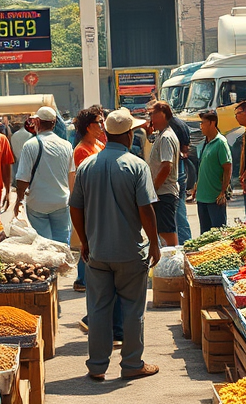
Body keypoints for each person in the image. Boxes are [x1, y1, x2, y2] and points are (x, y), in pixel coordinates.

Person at [69, 107, 161, 381]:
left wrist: (85, 240)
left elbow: (75, 207)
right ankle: (132, 364)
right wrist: (154, 243)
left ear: (107, 133)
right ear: (130, 134)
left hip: (97, 252)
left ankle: (97, 366)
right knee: (132, 309)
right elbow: (146, 209)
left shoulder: (87, 165)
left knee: (98, 310)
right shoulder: (136, 165)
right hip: (129, 253)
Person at [15, 106, 75, 245]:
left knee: (43, 244)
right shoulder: (66, 145)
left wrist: (19, 199)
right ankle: (61, 265)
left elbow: (22, 179)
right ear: (54, 123)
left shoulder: (30, 145)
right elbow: (72, 175)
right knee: (61, 244)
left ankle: (49, 266)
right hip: (61, 203)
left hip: (37, 204)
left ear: (36, 122)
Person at [72, 107, 106, 293]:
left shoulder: (99, 145)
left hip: (100, 202)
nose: (102, 125)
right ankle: (82, 280)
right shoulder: (82, 150)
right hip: (91, 204)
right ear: (87, 127)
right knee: (89, 244)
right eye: (98, 122)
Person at [191, 110, 231, 233]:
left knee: (217, 234)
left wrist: (223, 192)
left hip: (215, 198)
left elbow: (227, 168)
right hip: (202, 197)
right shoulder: (206, 143)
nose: (200, 126)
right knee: (205, 234)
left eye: (203, 123)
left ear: (212, 123)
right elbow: (203, 166)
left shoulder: (220, 142)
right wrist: (196, 186)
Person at [147, 101, 181, 246]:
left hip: (164, 192)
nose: (151, 118)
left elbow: (167, 166)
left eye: (153, 114)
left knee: (167, 233)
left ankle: (174, 264)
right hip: (161, 193)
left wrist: (153, 189)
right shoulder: (161, 135)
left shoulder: (166, 137)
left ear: (164, 116)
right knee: (162, 232)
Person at [169, 114, 194, 245]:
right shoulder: (180, 124)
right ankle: (185, 242)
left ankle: (185, 243)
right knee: (180, 210)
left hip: (176, 172)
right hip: (181, 170)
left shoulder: (171, 127)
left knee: (178, 212)